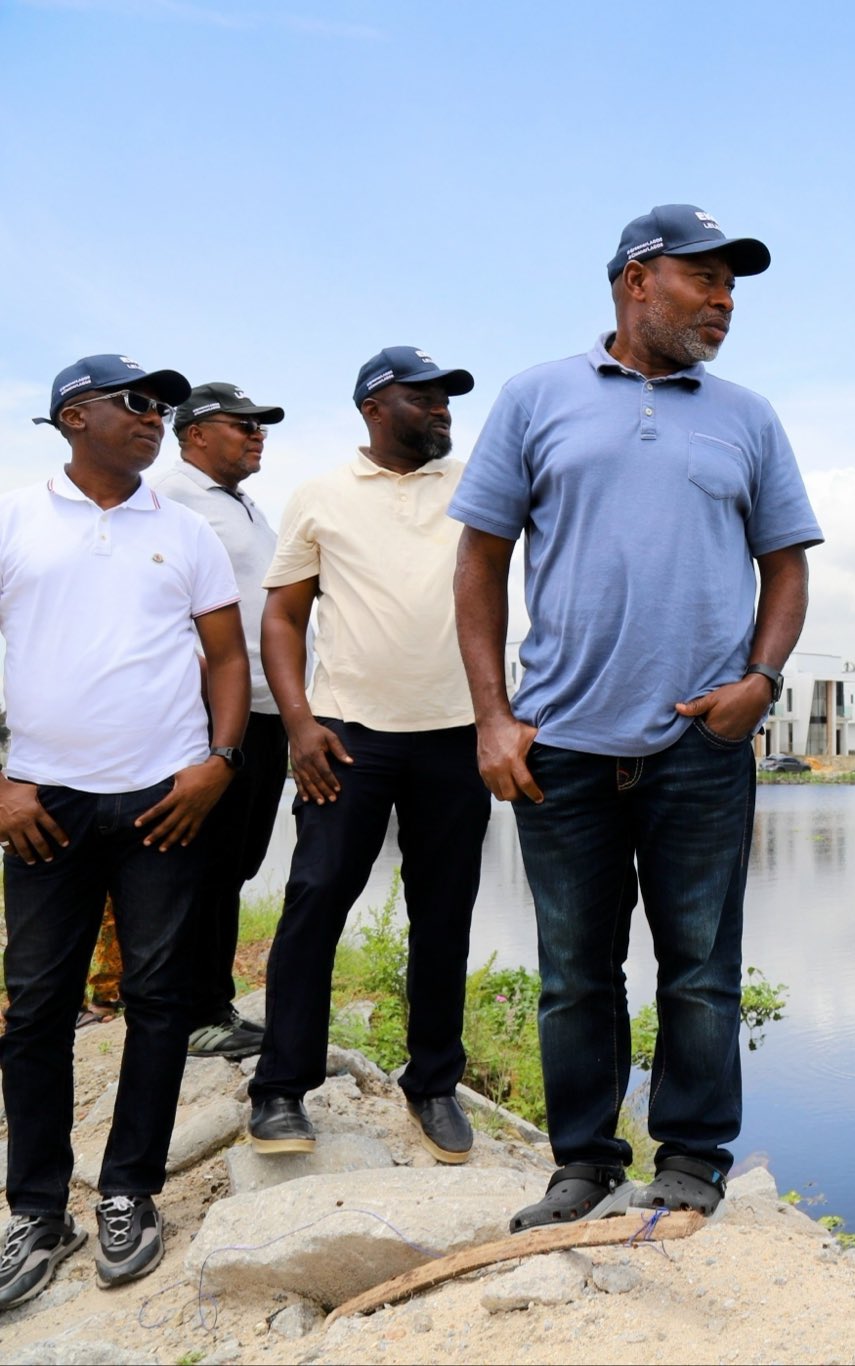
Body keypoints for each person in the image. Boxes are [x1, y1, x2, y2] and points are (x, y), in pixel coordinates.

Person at [452, 205, 821, 1232]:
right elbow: (479, 561)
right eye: (705, 279)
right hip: (560, 743)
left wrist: (761, 680)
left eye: (732, 286)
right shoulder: (535, 398)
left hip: (701, 744)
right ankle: (583, 1163)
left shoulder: (747, 417)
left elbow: (786, 565)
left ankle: (693, 1159)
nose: (724, 302)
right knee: (575, 973)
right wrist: (492, 718)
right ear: (635, 280)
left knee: (700, 970)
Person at [0, 355, 249, 1309]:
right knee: (36, 1007)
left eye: (165, 407)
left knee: (157, 999)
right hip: (44, 805)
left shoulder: (185, 531)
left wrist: (217, 761)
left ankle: (128, 1190)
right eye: (139, 403)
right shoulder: (17, 520)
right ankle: (36, 1208)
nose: (157, 418)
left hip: (162, 799)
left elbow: (225, 657)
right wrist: (3, 783)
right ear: (75, 416)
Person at [245, 348, 487, 1165]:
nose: (443, 409)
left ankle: (434, 1083)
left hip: (458, 732)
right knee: (315, 900)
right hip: (347, 735)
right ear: (374, 408)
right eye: (426, 397)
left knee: (444, 912)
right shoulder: (320, 495)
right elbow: (283, 618)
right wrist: (298, 723)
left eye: (448, 398)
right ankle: (281, 1089)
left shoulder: (477, 486)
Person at [158, 382, 290, 1059]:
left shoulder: (243, 505)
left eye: (260, 426)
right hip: (210, 712)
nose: (257, 434)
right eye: (243, 424)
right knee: (202, 863)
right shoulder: (169, 498)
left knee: (234, 864)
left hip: (266, 709)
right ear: (196, 434)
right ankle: (190, 1013)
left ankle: (213, 1001)